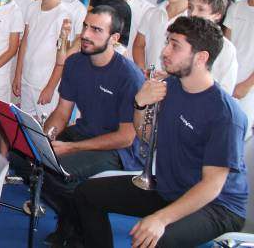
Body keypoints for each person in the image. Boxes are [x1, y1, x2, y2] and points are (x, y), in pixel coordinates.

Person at [75, 16, 248, 247]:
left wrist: (160, 219)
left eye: (175, 45)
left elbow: (211, 186)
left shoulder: (225, 115)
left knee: (155, 239)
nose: (165, 51)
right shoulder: (172, 87)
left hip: (217, 206)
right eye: (168, 42)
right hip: (171, 187)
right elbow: (148, 137)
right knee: (86, 194)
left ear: (201, 57)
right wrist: (139, 104)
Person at [15, 6, 144, 246]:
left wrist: (70, 148)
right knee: (23, 156)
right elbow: (62, 112)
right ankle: (74, 221)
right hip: (83, 133)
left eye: (96, 30)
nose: (85, 34)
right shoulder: (75, 63)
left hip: (117, 149)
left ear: (114, 39)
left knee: (58, 172)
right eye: (85, 26)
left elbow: (126, 137)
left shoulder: (129, 76)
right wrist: (44, 139)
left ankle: (77, 227)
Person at [14, 0, 73, 120]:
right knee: (26, 126)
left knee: (45, 131)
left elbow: (63, 57)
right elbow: (24, 43)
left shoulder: (63, 15)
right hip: (27, 80)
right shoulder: (32, 7)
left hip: (44, 84)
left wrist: (50, 87)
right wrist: (18, 74)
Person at [133, 0, 198, 70]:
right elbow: (139, 45)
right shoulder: (151, 13)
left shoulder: (193, 20)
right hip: (151, 77)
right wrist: (142, 71)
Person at [226, 0, 254, 129]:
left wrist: (246, 85)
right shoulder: (236, 8)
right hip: (229, 82)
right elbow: (226, 48)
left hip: (249, 89)